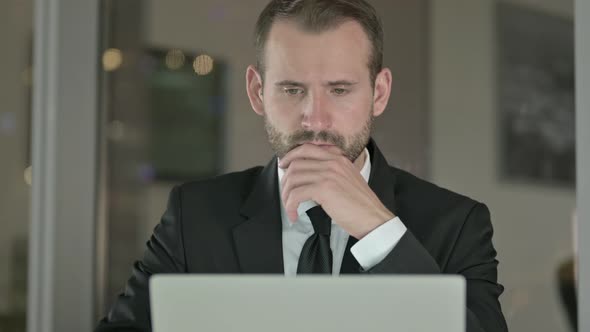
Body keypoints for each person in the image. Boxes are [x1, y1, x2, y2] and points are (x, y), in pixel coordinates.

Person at [96, 0, 508, 331]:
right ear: (258, 92)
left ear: (379, 93)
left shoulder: (457, 224)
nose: (315, 119)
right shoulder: (193, 215)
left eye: (340, 89)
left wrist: (380, 233)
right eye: (292, 89)